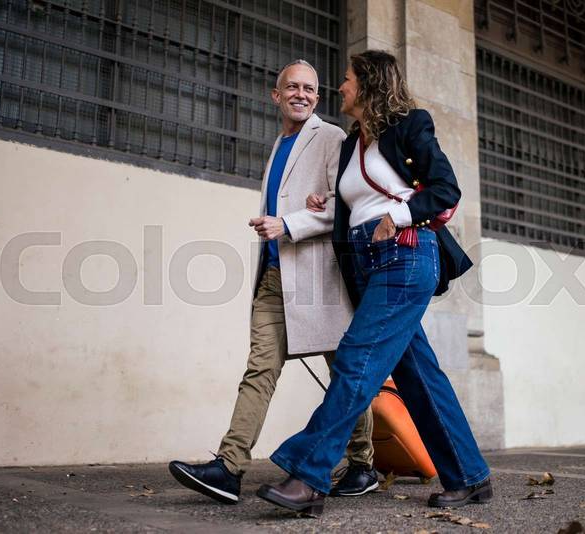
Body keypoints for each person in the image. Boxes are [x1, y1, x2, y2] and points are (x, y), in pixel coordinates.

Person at [256, 50, 492, 518]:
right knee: (419, 376)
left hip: (404, 255)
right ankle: (469, 476)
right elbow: (350, 204)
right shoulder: (350, 144)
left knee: (356, 364)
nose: (339, 88)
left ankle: (307, 474)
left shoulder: (410, 125)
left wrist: (397, 214)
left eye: (345, 80)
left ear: (368, 84)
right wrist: (326, 197)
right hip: (365, 264)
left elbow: (445, 189)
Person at [168, 60, 379, 505]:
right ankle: (228, 468)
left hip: (318, 278)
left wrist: (288, 222)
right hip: (273, 277)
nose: (302, 94)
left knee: (344, 371)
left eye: (310, 88)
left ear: (318, 98)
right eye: (293, 88)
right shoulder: (280, 142)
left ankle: (362, 464)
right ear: (276, 95)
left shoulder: (330, 138)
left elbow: (344, 206)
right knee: (259, 369)